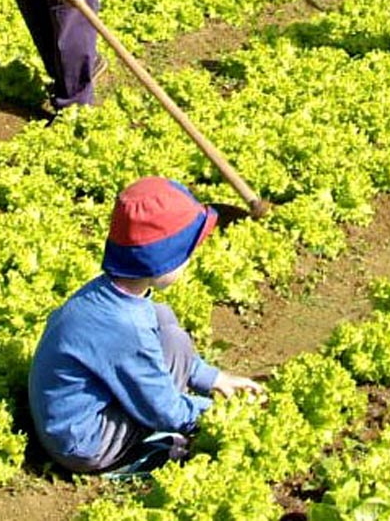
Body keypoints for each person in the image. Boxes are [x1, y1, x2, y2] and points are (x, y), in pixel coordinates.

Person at [28, 177, 264, 475]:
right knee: (166, 398)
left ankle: (168, 421)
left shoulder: (106, 295)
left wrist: (215, 380)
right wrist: (225, 413)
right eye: (186, 254)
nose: (190, 261)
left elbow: (160, 348)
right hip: (84, 443)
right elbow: (164, 409)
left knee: (166, 324)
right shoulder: (125, 328)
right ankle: (148, 452)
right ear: (163, 261)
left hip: (66, 420)